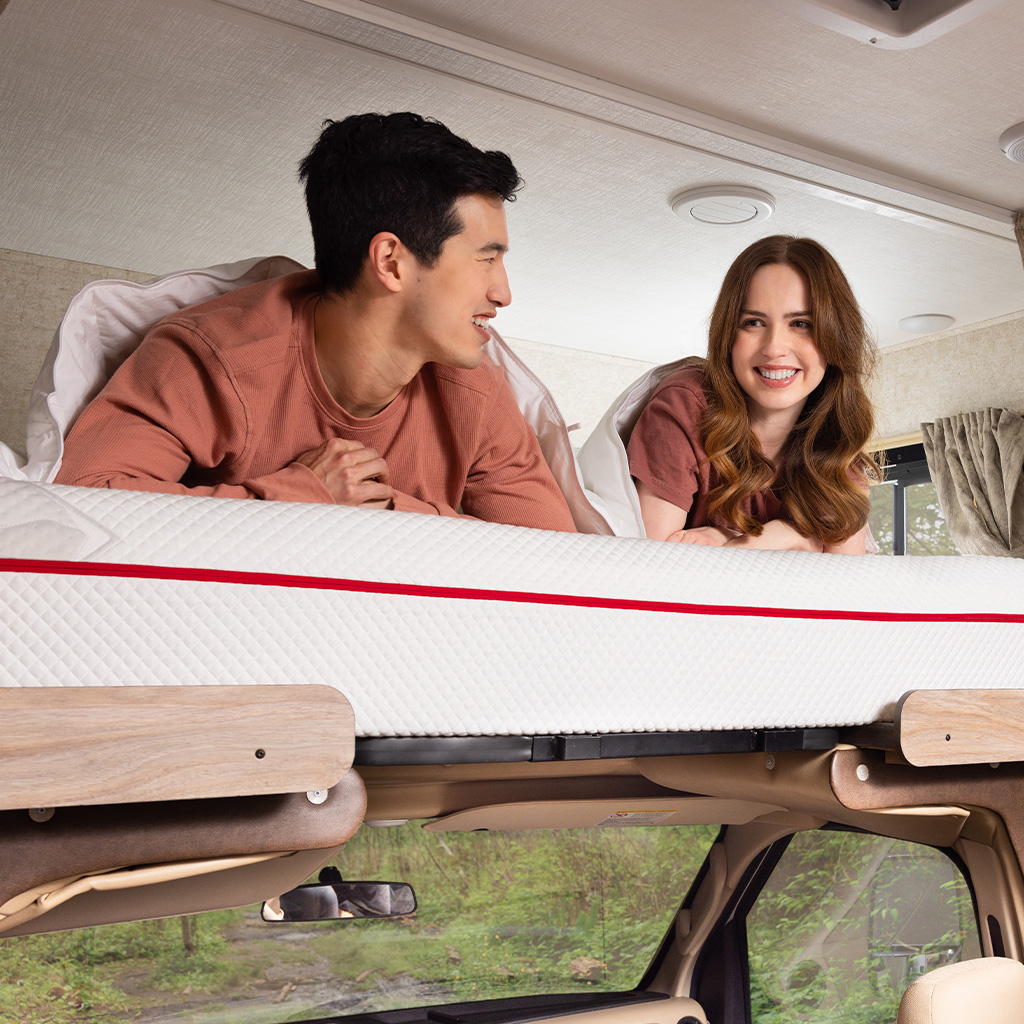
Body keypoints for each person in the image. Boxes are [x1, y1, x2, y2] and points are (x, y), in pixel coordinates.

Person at [55, 113, 576, 532]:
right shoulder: (215, 358)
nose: (503, 294)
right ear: (392, 262)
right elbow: (84, 501)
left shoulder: (476, 394)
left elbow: (559, 560)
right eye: (486, 259)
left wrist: (393, 514)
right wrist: (303, 495)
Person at [627, 235, 879, 553]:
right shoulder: (686, 404)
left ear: (836, 337)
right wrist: (809, 543)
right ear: (728, 334)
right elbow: (650, 565)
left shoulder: (839, 451)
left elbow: (842, 590)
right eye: (754, 322)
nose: (774, 348)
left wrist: (772, 537)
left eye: (801, 323)